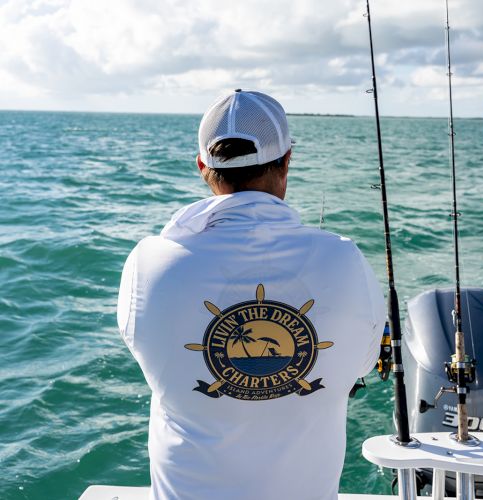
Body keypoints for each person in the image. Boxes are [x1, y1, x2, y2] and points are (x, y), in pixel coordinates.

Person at [117, 89, 385, 500]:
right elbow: (364, 362)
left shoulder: (148, 263)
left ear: (202, 166)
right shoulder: (345, 260)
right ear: (287, 161)